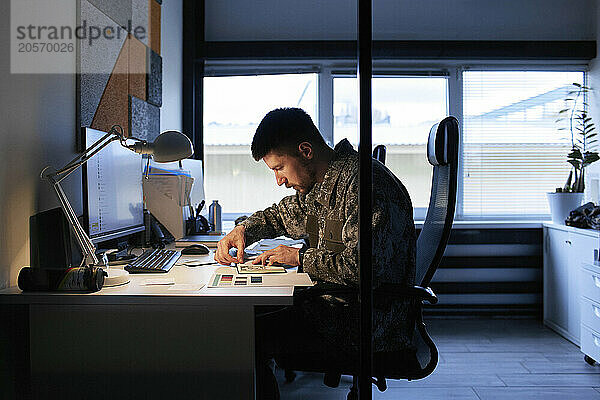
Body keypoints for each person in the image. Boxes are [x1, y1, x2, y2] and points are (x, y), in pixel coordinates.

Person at [214, 107, 416, 399]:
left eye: (279, 168)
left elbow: (364, 269)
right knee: (250, 317)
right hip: (340, 306)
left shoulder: (363, 184)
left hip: (367, 324)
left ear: (305, 151)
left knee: (242, 335)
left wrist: (299, 258)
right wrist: (243, 229)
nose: (279, 180)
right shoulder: (323, 184)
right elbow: (282, 216)